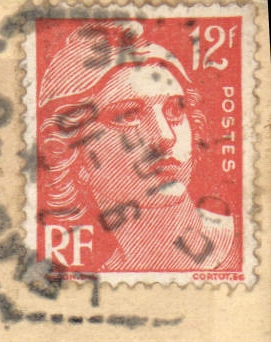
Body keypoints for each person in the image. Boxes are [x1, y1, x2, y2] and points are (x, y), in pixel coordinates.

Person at [36, 20, 233, 272]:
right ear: (70, 153)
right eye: (128, 115)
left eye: (174, 110)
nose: (164, 136)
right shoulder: (108, 274)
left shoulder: (237, 244)